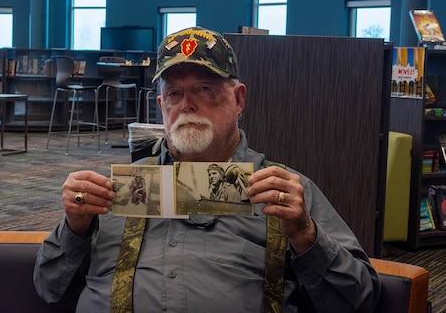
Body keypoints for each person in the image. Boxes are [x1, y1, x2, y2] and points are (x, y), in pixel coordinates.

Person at [33, 26, 381, 312]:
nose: (187, 105)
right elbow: (49, 289)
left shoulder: (283, 190)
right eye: (174, 94)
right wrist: (75, 227)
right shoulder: (116, 191)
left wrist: (305, 233)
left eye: (204, 89)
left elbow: (358, 300)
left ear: (239, 99)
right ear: (160, 106)